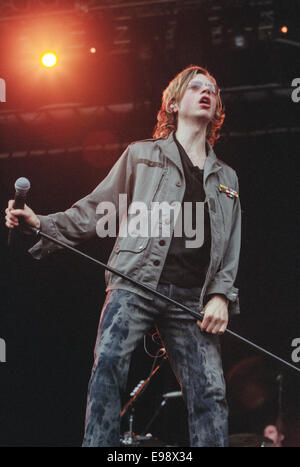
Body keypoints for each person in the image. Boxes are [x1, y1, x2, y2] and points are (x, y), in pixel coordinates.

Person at [5, 65, 242, 447]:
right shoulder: (142, 156)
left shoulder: (227, 178)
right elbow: (98, 208)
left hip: (192, 299)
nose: (206, 93)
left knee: (211, 393)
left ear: (216, 108)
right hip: (135, 281)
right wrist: (43, 223)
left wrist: (220, 296)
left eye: (212, 90)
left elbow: (231, 244)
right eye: (195, 87)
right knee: (108, 367)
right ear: (173, 103)